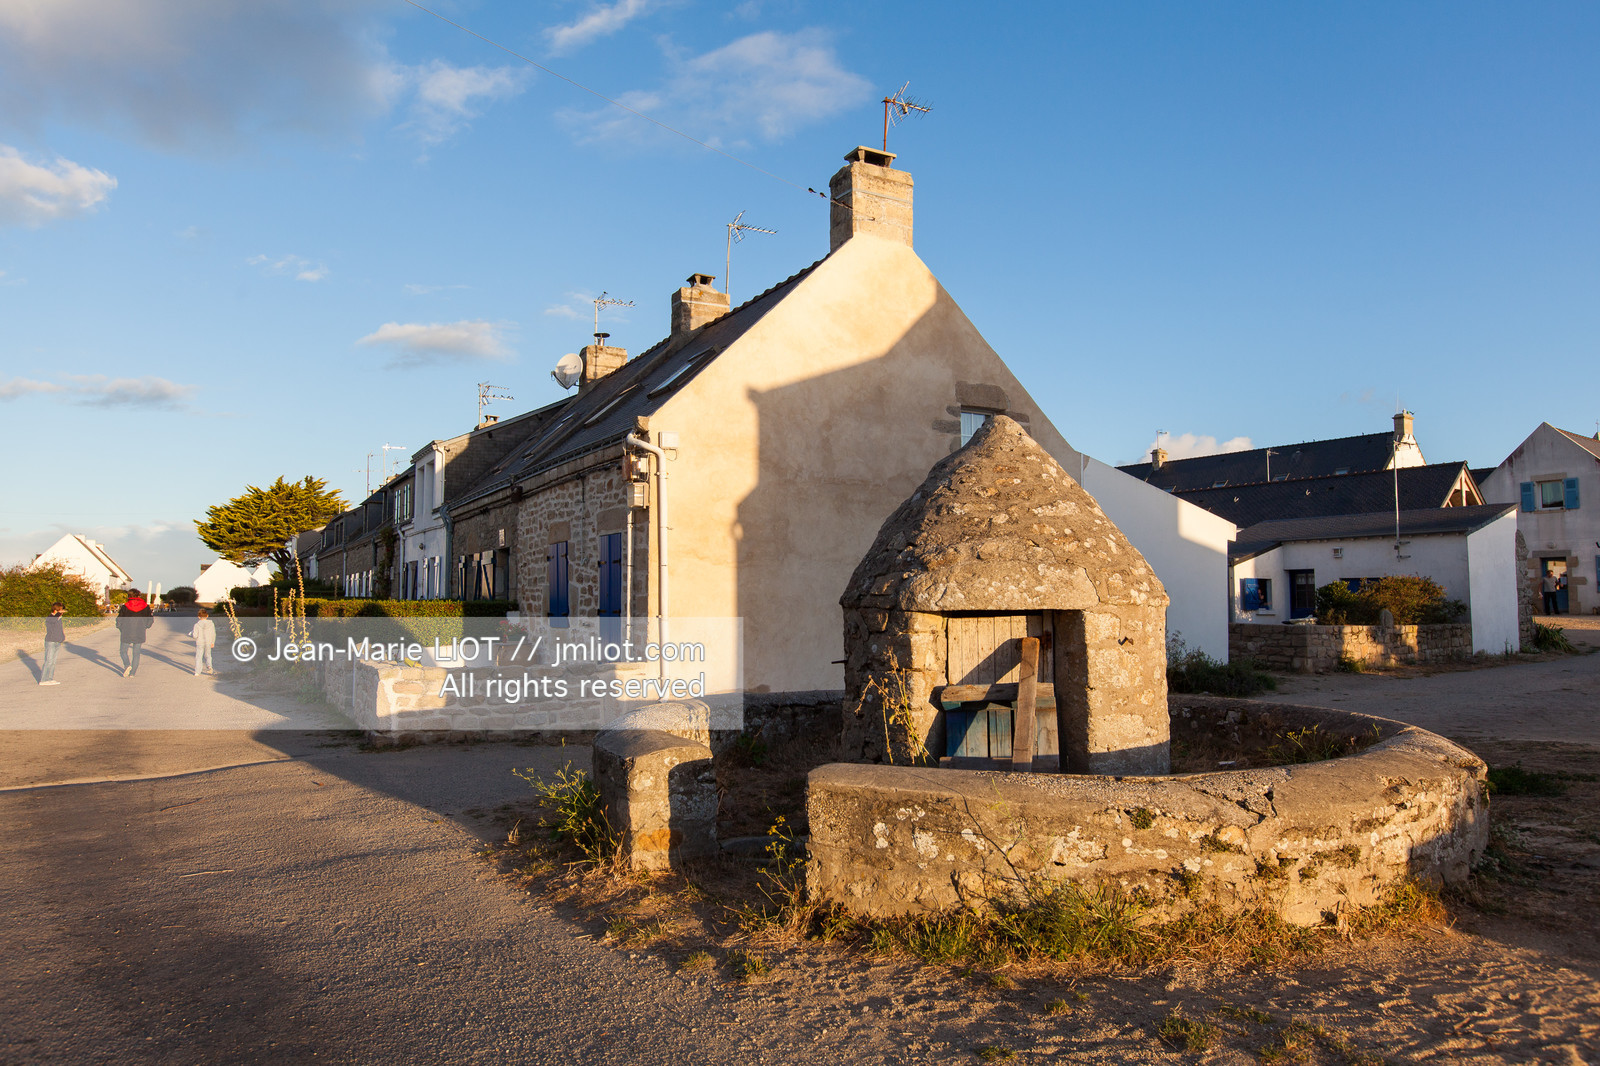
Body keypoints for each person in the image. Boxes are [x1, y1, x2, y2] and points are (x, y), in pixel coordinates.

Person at [117, 589, 154, 676]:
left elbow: (119, 620)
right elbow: (150, 619)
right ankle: (132, 673)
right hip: (140, 631)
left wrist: (121, 628)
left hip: (126, 631)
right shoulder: (145, 606)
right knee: (136, 653)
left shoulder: (125, 606)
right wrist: (145, 626)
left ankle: (127, 665)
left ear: (129, 596)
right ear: (138, 596)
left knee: (123, 651)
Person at [39, 602, 66, 686]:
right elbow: (53, 621)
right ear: (56, 610)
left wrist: (62, 638)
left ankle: (49, 678)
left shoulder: (58, 618)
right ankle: (44, 679)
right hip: (50, 641)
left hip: (57, 641)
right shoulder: (50, 618)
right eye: (60, 609)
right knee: (49, 661)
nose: (62, 612)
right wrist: (58, 614)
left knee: (53, 662)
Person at [190, 608, 216, 676]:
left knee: (199, 657)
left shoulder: (196, 625)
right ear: (207, 615)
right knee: (208, 655)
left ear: (198, 617)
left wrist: (192, 634)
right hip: (208, 642)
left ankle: (197, 672)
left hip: (200, 643)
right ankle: (209, 667)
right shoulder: (211, 624)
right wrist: (212, 642)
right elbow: (213, 633)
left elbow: (195, 636)